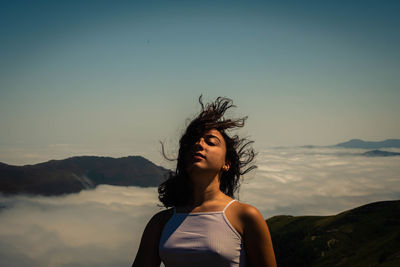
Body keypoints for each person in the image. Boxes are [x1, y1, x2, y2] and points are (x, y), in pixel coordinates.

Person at [132, 96, 276, 267]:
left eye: (211, 142)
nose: (199, 144)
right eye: (193, 141)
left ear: (226, 164)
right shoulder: (160, 222)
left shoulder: (245, 216)